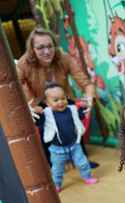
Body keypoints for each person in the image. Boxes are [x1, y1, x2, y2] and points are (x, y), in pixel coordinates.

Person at [16, 27, 98, 168]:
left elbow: (86, 83)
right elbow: (14, 87)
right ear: (32, 50)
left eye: (49, 46)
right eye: (40, 48)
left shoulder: (64, 58)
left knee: (73, 124)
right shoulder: (24, 63)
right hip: (40, 102)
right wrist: (28, 106)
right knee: (44, 130)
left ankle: (81, 160)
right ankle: (51, 165)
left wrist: (89, 99)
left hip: (64, 98)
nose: (47, 51)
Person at [35, 82, 98, 192]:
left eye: (63, 98)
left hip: (74, 145)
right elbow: (38, 122)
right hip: (57, 149)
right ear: (47, 102)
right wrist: (38, 113)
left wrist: (83, 107)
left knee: (83, 163)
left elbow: (81, 115)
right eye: (55, 100)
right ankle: (57, 184)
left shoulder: (72, 109)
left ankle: (88, 177)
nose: (60, 102)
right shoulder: (46, 113)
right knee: (57, 169)